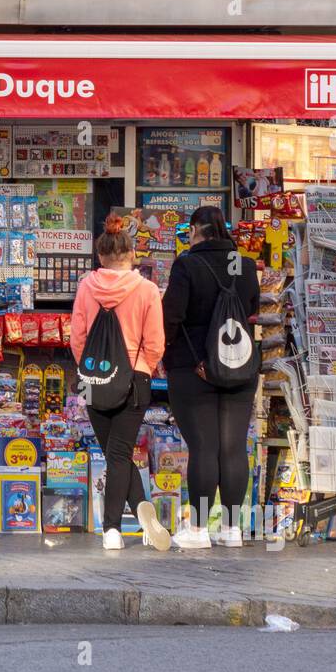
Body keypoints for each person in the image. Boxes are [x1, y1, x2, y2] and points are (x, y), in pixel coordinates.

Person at [161, 205, 260, 551]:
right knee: (232, 447)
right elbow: (250, 308)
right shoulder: (243, 265)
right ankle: (232, 529)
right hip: (240, 365)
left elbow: (171, 316)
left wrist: (169, 354)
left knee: (204, 446)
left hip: (194, 369)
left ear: (196, 231)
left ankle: (200, 528)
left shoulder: (187, 265)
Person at [70, 214, 170, 551]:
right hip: (135, 380)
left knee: (114, 452)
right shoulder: (146, 290)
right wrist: (141, 368)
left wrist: (91, 370)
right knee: (120, 453)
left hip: (94, 379)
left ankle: (124, 522)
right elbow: (156, 342)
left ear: (101, 256)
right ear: (131, 254)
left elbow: (77, 339)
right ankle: (114, 528)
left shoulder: (86, 287)